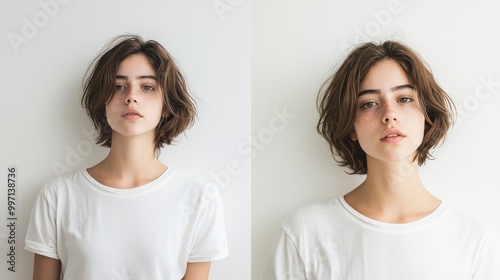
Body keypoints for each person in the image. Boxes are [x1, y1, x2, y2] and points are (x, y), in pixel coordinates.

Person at [263, 41, 500, 279]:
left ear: (427, 114)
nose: (389, 115)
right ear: (351, 127)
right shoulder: (305, 232)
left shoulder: (473, 242)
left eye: (404, 98)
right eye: (369, 104)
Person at [25, 35, 228, 280]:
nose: (131, 96)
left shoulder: (199, 200)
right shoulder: (58, 197)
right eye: (119, 86)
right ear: (103, 103)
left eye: (147, 86)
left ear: (166, 105)